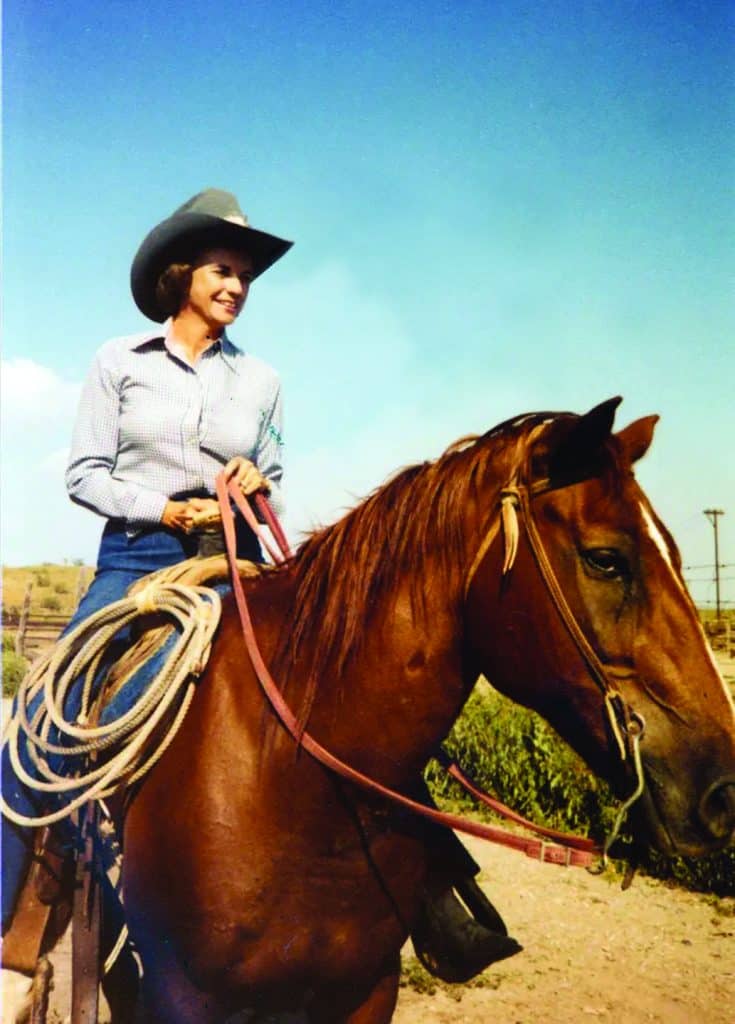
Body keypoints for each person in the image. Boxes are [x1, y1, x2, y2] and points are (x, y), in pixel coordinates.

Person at [1, 188, 518, 994]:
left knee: (341, 699)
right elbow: (84, 474)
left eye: (244, 275)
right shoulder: (118, 362)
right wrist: (167, 508)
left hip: (237, 562)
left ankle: (438, 898)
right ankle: (15, 912)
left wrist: (254, 479)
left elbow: (270, 468)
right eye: (222, 270)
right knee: (41, 715)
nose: (236, 286)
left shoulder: (263, 381)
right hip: (138, 560)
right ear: (181, 275)